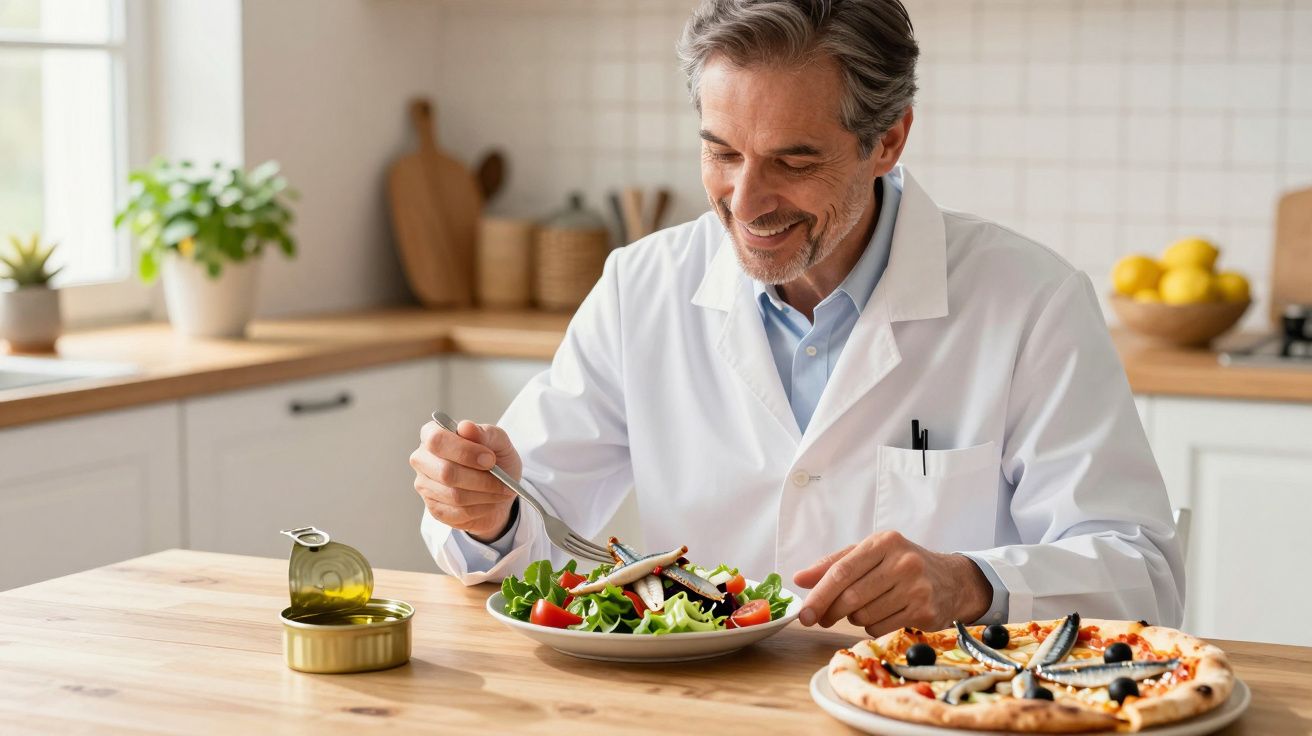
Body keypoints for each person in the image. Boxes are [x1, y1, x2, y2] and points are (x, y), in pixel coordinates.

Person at [410, 0, 1185, 635]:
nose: (745, 204)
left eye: (794, 161)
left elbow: (1142, 572)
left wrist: (972, 582)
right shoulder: (640, 287)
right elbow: (527, 526)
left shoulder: (1031, 301)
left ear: (888, 140)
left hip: (935, 710)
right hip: (703, 713)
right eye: (722, 153)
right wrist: (484, 511)